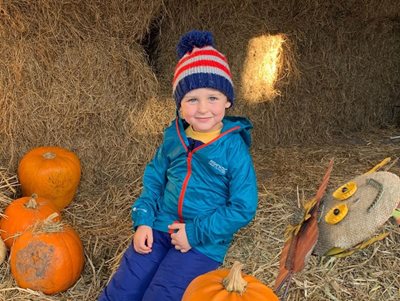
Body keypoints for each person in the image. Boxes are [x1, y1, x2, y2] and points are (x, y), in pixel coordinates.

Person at [98, 30, 258, 301]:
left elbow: (243, 206)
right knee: (124, 288)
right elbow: (154, 178)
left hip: (202, 240)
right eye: (192, 99)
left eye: (213, 98)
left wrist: (194, 233)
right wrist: (144, 221)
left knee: (162, 294)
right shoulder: (174, 138)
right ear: (180, 105)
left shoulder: (233, 148)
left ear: (228, 101)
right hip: (160, 225)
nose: (203, 108)